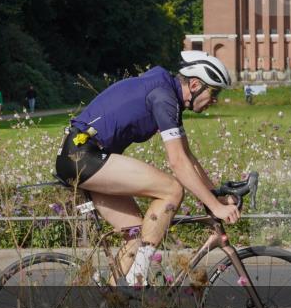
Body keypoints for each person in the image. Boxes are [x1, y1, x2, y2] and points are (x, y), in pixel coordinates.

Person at [54, 51, 239, 288]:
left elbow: (187, 157)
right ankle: (136, 281)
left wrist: (215, 196)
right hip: (82, 156)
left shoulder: (167, 93)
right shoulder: (163, 97)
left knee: (135, 236)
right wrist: (215, 208)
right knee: (172, 189)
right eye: (214, 92)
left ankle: (113, 306)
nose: (215, 100)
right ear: (194, 85)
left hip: (83, 156)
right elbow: (178, 164)